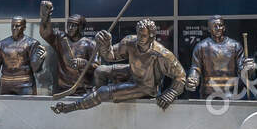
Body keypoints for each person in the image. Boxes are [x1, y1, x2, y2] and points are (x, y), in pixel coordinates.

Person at [50, 19, 185, 114]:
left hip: (146, 86)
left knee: (103, 92)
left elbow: (180, 76)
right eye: (138, 33)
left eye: (143, 35)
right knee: (100, 70)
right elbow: (110, 56)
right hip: (132, 72)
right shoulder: (130, 42)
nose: (139, 38)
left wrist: (171, 92)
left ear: (152, 36)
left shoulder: (161, 54)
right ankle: (95, 98)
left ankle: (71, 107)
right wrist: (105, 44)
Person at [186, 16, 253, 100]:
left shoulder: (235, 46)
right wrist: (192, 78)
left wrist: (248, 68)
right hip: (208, 95)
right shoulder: (201, 47)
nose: (218, 28)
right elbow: (196, 68)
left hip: (232, 95)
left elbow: (242, 71)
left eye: (220, 25)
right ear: (209, 29)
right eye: (215, 26)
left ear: (224, 27)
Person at [40, 1, 95, 94]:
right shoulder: (61, 38)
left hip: (83, 89)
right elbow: (45, 33)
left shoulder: (90, 44)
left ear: (81, 27)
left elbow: (97, 66)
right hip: (63, 89)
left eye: (74, 25)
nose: (70, 27)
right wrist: (45, 17)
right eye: (69, 24)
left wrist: (85, 63)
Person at [0, 16, 48, 95]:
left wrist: (40, 60)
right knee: (5, 107)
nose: (14, 28)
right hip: (6, 84)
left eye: (17, 26)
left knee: (28, 107)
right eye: (12, 26)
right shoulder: (0, 44)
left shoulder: (32, 43)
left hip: (25, 84)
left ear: (24, 27)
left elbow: (36, 69)